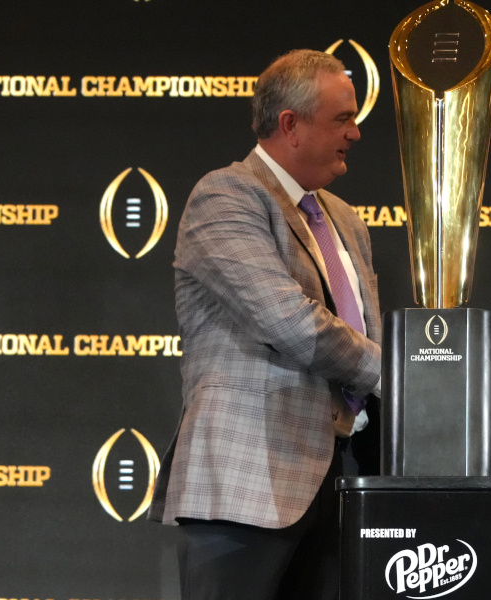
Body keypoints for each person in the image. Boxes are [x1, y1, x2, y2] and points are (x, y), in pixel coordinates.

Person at [148, 49, 381, 600]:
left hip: (345, 481)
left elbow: (361, 326)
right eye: (342, 119)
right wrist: (399, 372)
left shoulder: (345, 218)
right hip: (248, 482)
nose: (356, 132)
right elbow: (292, 323)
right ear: (290, 125)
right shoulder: (225, 195)